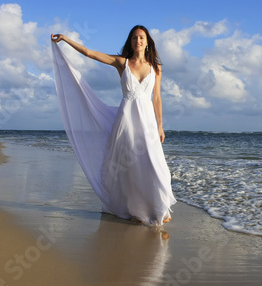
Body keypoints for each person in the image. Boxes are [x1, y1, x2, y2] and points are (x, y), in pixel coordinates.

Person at [51, 25, 176, 226]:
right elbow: (90, 53)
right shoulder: (122, 63)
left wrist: (160, 126)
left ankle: (160, 206)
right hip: (126, 121)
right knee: (130, 167)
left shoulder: (155, 67)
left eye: (142, 37)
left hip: (148, 122)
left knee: (155, 164)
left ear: (147, 41)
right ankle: (136, 210)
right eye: (134, 38)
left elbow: (157, 98)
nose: (138, 41)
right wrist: (66, 39)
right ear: (131, 41)